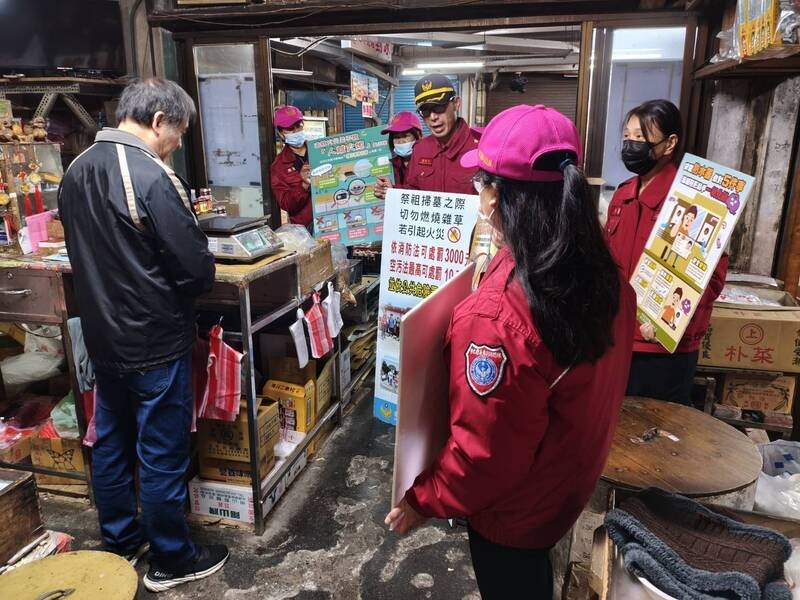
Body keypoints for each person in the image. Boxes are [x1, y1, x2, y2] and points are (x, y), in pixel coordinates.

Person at [385, 105, 636, 599]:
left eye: (481, 183)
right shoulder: (602, 272)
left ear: (496, 195)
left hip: (513, 514)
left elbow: (484, 457)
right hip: (564, 485)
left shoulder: (498, 319)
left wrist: (422, 500)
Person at [58, 78, 228, 593]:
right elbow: (195, 269)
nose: (177, 143)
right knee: (160, 451)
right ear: (158, 121)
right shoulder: (151, 176)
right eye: (179, 132)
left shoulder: (75, 169)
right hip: (154, 341)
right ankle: (172, 558)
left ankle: (120, 542)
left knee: (110, 443)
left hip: (103, 340)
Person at [605, 99, 728, 405]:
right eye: (627, 136)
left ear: (670, 143)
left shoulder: (693, 201)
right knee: (616, 425)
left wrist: (667, 321)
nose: (630, 145)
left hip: (662, 349)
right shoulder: (622, 195)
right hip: (617, 339)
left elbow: (711, 279)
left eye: (640, 137)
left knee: (662, 428)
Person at [374, 74, 480, 199]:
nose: (433, 117)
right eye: (425, 111)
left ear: (456, 103)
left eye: (439, 107)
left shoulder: (481, 147)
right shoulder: (420, 149)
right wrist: (393, 191)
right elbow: (415, 190)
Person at [270, 105, 312, 230]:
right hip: (306, 230)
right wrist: (303, 185)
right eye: (289, 128)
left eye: (298, 126)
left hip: (334, 220)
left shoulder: (320, 151)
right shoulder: (279, 166)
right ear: (281, 133)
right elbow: (286, 204)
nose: (295, 131)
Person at [379, 110, 423, 188]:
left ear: (418, 135)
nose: (401, 141)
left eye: (405, 136)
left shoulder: (428, 163)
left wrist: (393, 189)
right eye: (396, 137)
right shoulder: (391, 165)